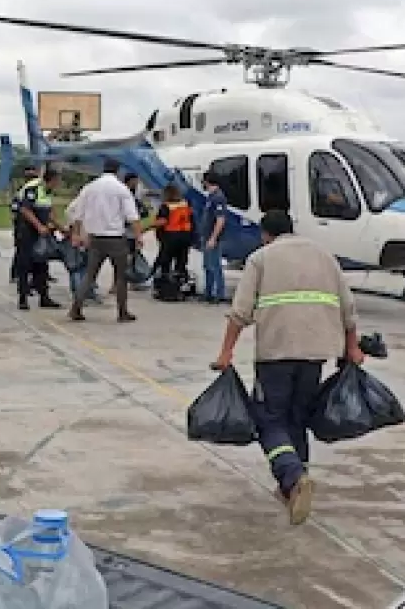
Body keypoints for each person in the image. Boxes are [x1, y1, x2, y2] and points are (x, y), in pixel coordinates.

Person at [212, 209, 365, 526]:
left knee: (268, 420)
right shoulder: (324, 256)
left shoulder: (261, 258)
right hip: (316, 353)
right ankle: (294, 484)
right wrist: (352, 347)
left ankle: (292, 475)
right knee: (297, 417)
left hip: (276, 352)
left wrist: (226, 353)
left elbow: (240, 312)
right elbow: (348, 308)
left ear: (266, 234)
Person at [68, 159, 142, 322]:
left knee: (89, 275)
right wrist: (138, 236)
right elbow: (132, 216)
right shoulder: (121, 189)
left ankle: (76, 308)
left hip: (95, 238)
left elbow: (77, 214)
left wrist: (76, 234)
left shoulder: (89, 188)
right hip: (116, 238)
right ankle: (122, 312)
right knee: (121, 276)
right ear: (117, 171)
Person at [14, 167, 63, 311]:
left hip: (40, 232)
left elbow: (49, 211)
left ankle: (44, 297)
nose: (59, 184)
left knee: (42, 263)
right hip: (27, 232)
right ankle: (23, 298)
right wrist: (39, 226)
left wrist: (60, 227)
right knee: (25, 264)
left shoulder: (47, 191)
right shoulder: (33, 188)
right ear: (52, 180)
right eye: (58, 180)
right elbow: (25, 210)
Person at [65, 192, 101, 304]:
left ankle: (87, 291)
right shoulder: (77, 205)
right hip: (80, 239)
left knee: (88, 267)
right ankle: (78, 293)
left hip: (88, 239)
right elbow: (72, 222)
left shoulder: (90, 205)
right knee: (78, 267)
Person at [151, 185, 194, 280]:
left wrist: (150, 225)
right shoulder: (186, 204)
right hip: (186, 236)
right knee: (181, 260)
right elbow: (191, 219)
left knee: (165, 260)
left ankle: (164, 280)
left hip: (171, 237)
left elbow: (163, 221)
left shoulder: (166, 206)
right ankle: (180, 279)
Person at [200, 170, 228, 304]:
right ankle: (209, 292)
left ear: (207, 181)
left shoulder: (218, 198)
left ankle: (219, 293)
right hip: (207, 236)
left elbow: (220, 220)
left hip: (212, 237)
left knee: (215, 266)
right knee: (208, 266)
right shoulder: (211, 197)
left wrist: (213, 238)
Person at [120, 173, 151, 292]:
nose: (136, 184)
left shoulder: (133, 196)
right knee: (125, 258)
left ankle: (132, 281)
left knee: (131, 257)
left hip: (131, 231)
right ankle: (120, 283)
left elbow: (144, 212)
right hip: (125, 231)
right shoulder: (124, 195)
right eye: (135, 181)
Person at [10, 164, 40, 285]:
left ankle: (36, 276)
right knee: (22, 252)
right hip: (22, 225)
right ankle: (16, 274)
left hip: (33, 225)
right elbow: (16, 208)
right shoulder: (23, 191)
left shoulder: (37, 189)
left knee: (36, 252)